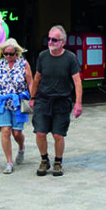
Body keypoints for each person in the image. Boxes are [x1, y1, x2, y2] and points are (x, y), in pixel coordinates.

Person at [29, 25, 82, 177]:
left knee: (58, 135)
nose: (50, 42)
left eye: (54, 39)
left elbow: (77, 82)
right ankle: (44, 160)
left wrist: (78, 103)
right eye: (49, 39)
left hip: (62, 101)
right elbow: (37, 77)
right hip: (43, 100)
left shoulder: (70, 58)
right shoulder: (43, 56)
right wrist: (33, 98)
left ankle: (58, 162)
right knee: (40, 132)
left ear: (62, 42)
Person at [0, 38, 34, 174]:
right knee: (5, 131)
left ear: (17, 53)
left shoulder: (24, 64)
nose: (8, 57)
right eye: (5, 54)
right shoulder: (0, 65)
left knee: (17, 132)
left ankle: (21, 147)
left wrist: (33, 98)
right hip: (2, 102)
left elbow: (30, 82)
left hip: (18, 102)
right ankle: (9, 162)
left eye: (11, 54)